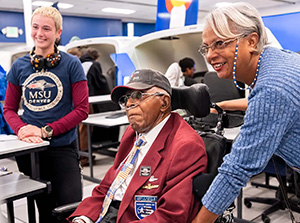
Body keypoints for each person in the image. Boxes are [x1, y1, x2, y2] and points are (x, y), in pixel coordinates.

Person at [192, 2, 300, 223]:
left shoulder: (271, 88)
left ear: (251, 41)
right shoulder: (277, 61)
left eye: (219, 43)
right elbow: (258, 102)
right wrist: (223, 105)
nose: (210, 55)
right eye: (206, 48)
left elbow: (236, 169)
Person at [68, 68, 207, 223]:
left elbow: (170, 216)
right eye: (126, 99)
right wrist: (83, 218)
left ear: (164, 102)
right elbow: (107, 186)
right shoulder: (133, 134)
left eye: (138, 95)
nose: (129, 103)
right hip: (108, 212)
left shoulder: (185, 146)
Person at [3, 6, 89, 222]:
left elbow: (82, 110)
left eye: (46, 28)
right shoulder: (19, 66)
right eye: (35, 27)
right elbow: (9, 109)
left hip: (62, 147)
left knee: (70, 210)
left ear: (58, 33)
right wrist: (21, 129)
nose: (39, 33)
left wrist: (45, 131)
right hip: (31, 152)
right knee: (45, 211)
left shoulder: (72, 64)